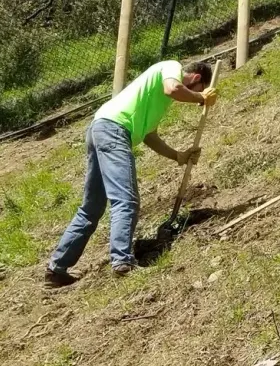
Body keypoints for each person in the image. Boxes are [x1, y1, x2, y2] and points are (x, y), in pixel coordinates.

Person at [45, 59, 216, 283]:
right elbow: (174, 88)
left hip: (101, 128)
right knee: (125, 200)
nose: (194, 101)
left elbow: (148, 135)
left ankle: (56, 270)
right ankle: (123, 262)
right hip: (113, 131)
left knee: (91, 208)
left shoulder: (156, 99)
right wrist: (200, 97)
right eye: (198, 90)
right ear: (195, 78)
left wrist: (177, 156)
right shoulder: (171, 67)